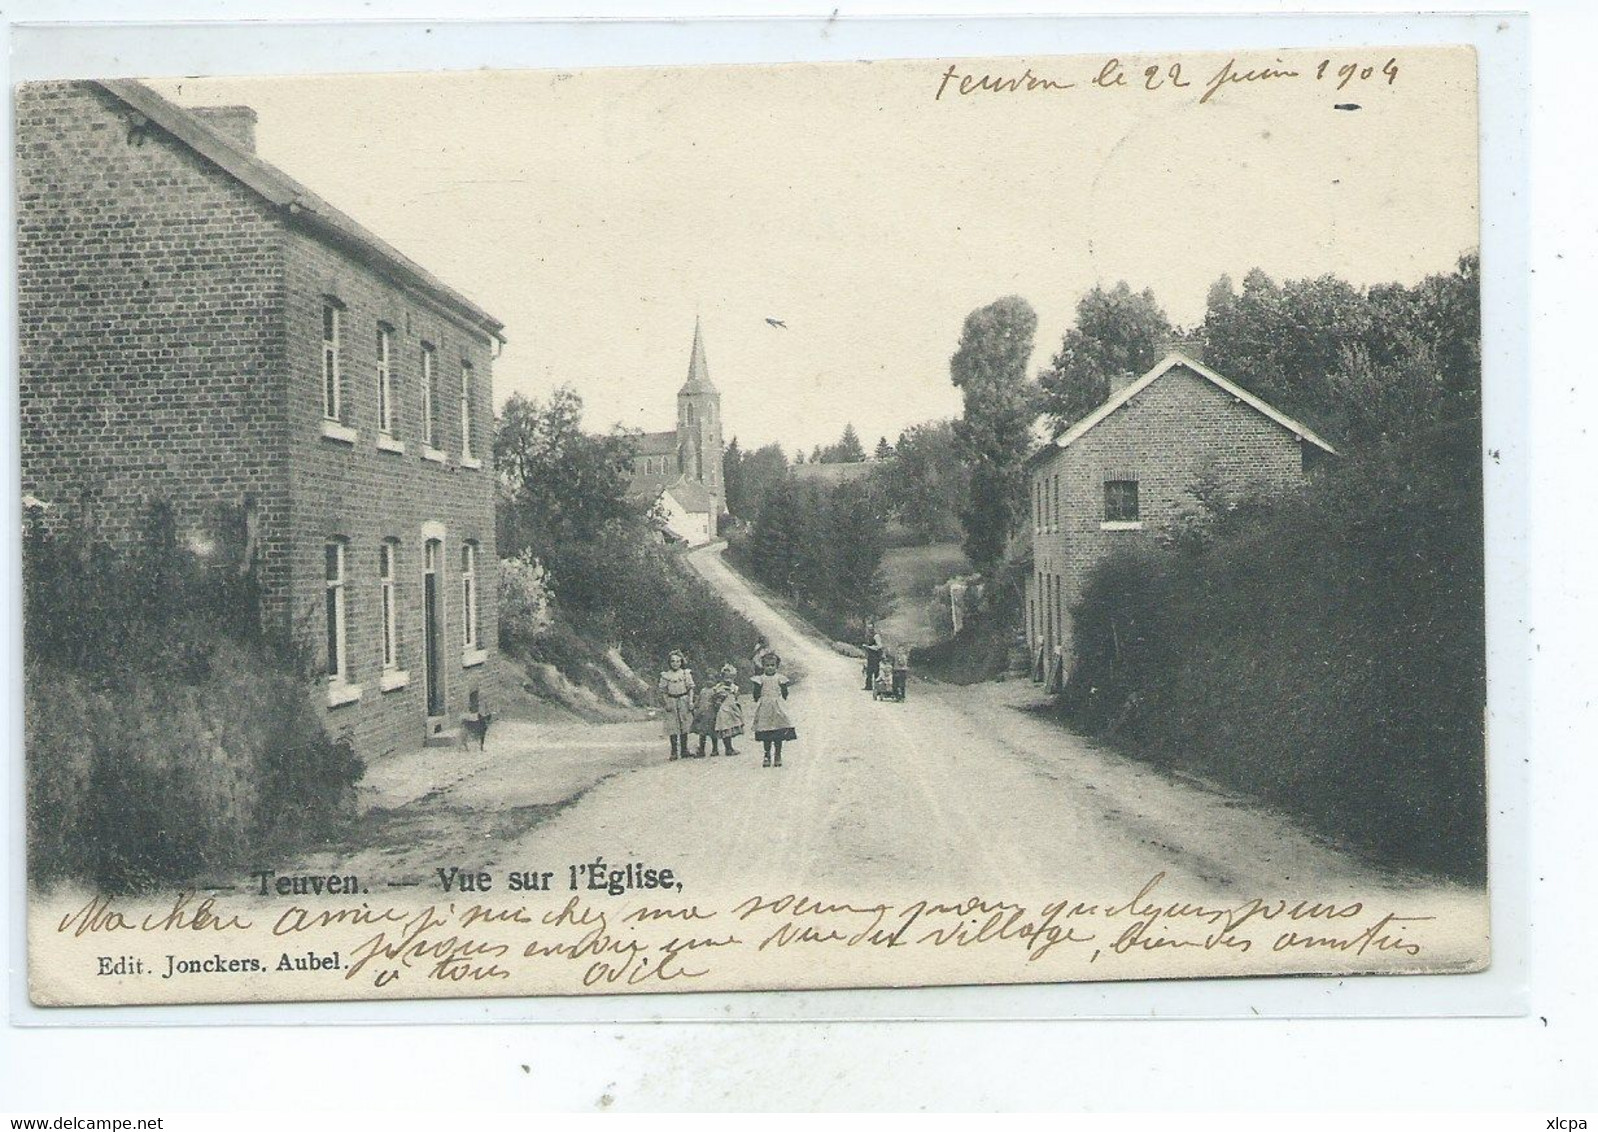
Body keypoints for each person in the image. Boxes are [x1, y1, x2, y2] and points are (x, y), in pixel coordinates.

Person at [751, 650, 797, 768]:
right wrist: (757, 696)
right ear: (763, 666)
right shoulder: (760, 679)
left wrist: (782, 696)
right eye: (767, 666)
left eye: (772, 666)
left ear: (777, 666)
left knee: (778, 732)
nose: (770, 668)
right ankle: (767, 755)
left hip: (777, 707)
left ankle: (777, 754)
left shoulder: (780, 678)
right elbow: (756, 693)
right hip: (765, 707)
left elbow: (785, 693)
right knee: (766, 732)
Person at [658, 650, 696, 761]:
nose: (675, 663)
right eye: (673, 661)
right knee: (673, 726)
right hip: (671, 700)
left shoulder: (685, 674)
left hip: (683, 699)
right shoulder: (666, 676)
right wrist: (666, 703)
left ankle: (684, 750)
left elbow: (690, 689)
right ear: (669, 662)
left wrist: (690, 701)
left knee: (684, 725)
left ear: (681, 662)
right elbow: (663, 691)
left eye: (678, 661)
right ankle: (674, 752)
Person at [711, 663, 745, 756]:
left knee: (730, 728)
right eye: (726, 678)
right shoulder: (719, 687)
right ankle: (728, 748)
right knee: (725, 728)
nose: (728, 680)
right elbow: (716, 697)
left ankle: (729, 748)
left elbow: (735, 696)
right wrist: (719, 698)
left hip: (731, 709)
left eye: (731, 678)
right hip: (723, 709)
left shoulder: (734, 687)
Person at [862, 619, 885, 691]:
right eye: (868, 628)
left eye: (870, 628)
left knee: (875, 672)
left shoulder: (876, 636)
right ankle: (868, 686)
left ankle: (877, 687)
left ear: (873, 628)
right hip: (871, 656)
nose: (869, 630)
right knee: (869, 671)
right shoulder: (869, 636)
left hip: (875, 656)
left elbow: (880, 646)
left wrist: (869, 647)